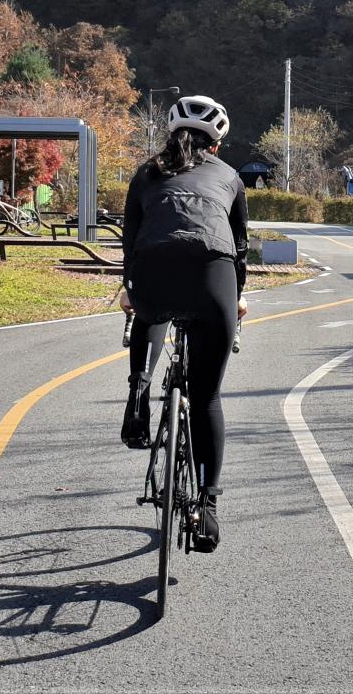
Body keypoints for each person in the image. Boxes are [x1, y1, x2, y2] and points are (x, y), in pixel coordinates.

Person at [119, 93, 248, 553]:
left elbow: (131, 240)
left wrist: (129, 289)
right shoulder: (230, 176)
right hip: (213, 274)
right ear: (217, 142)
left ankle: (139, 390)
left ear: (170, 134)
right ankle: (207, 508)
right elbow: (240, 247)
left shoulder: (146, 172)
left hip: (154, 268)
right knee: (207, 395)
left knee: (149, 309)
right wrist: (238, 298)